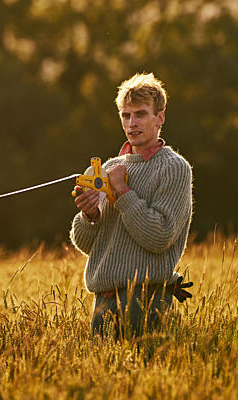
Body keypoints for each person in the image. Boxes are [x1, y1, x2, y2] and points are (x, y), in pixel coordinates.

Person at [70, 72, 193, 338]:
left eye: (140, 114)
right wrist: (90, 215)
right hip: (103, 300)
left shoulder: (174, 167)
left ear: (159, 117)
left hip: (145, 300)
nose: (132, 123)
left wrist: (123, 192)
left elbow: (160, 236)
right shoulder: (109, 168)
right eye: (126, 116)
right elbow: (86, 244)